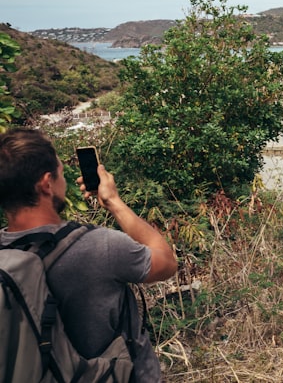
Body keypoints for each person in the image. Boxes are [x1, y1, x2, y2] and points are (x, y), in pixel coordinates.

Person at [0, 127, 178, 382]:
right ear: (47, 183)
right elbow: (167, 263)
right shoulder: (100, 246)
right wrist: (113, 201)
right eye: (61, 174)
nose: (64, 182)